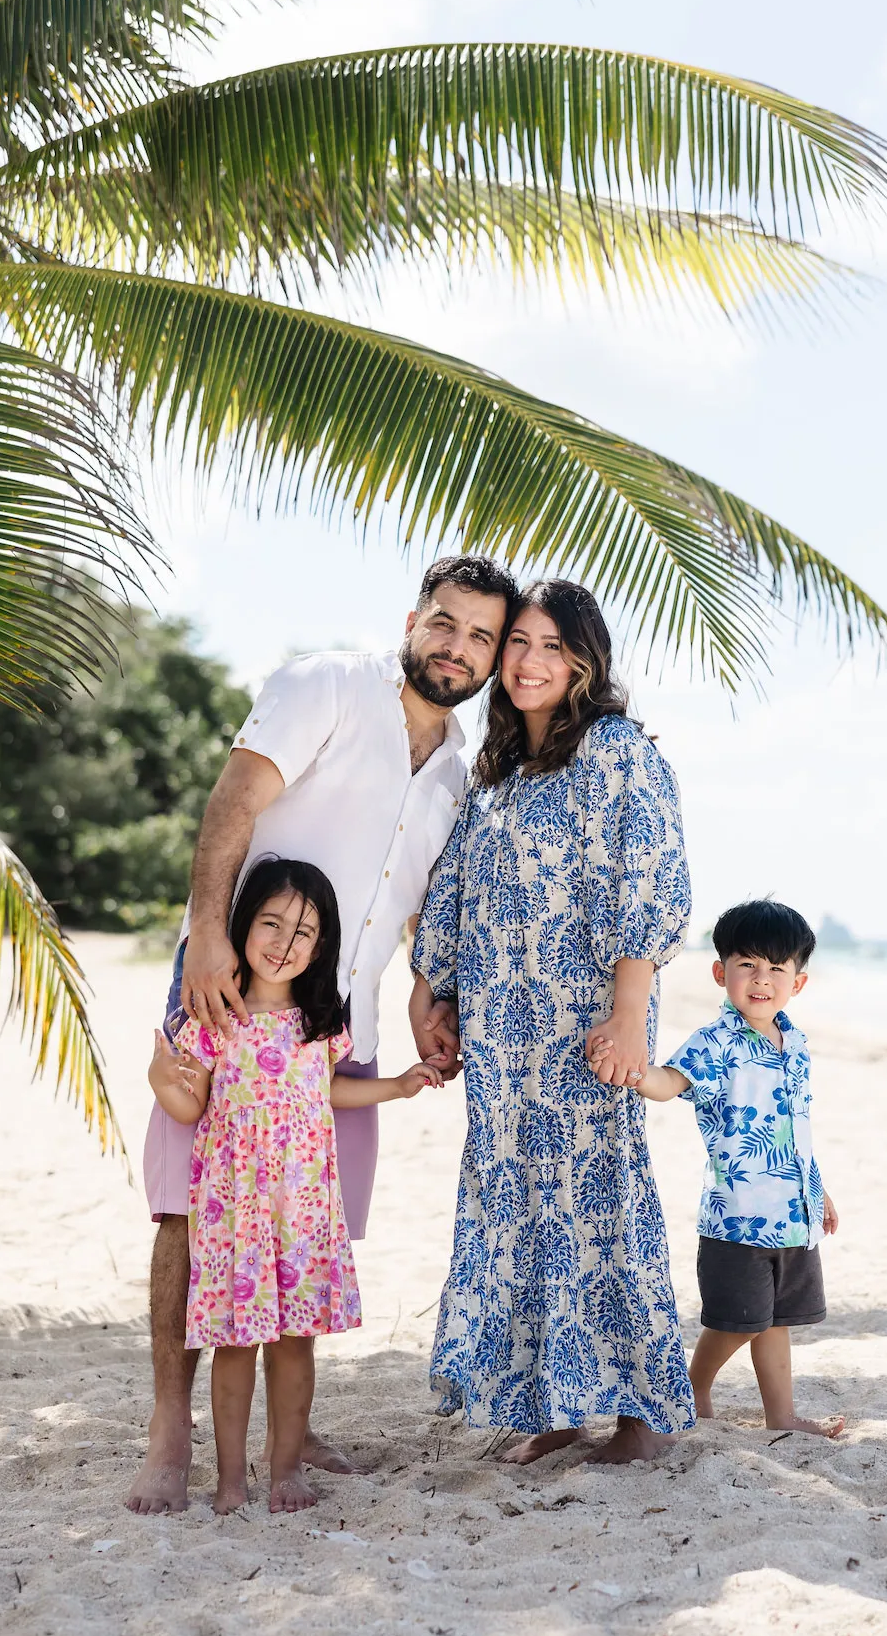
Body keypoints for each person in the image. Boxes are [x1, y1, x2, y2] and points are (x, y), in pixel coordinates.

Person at [127, 554, 516, 1514]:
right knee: (189, 1214)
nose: (457, 648)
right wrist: (211, 933)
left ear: (497, 657)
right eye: (445, 623)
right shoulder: (327, 687)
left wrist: (433, 1002)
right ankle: (171, 1429)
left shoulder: (460, 776)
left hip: (347, 1025)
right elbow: (234, 803)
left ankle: (292, 1432)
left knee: (311, 1226)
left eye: (480, 637)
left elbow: (421, 909)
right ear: (414, 618)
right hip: (233, 991)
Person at [410, 579, 696, 1465]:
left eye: (552, 647)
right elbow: (454, 887)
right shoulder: (496, 770)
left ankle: (644, 1416)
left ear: (584, 663)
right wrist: (433, 990)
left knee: (602, 1206)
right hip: (502, 1035)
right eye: (519, 644)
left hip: (582, 1032)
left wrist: (629, 1015)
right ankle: (555, 1405)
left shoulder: (615, 751)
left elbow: (648, 880)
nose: (530, 662)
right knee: (519, 1211)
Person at [148, 858, 441, 1514]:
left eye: (303, 933)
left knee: (294, 1346)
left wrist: (395, 1085)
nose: (284, 943)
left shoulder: (322, 1022)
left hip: (302, 1213)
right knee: (234, 1346)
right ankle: (230, 1481)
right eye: (270, 924)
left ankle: (284, 1471)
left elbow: (325, 1089)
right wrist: (160, 1077)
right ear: (241, 926)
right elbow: (189, 1107)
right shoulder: (215, 1016)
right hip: (234, 1216)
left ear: (322, 945)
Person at [596, 899, 844, 1438]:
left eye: (777, 968)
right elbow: (671, 1083)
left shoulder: (796, 1044)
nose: (762, 979)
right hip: (738, 1215)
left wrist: (818, 1190)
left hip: (792, 1214)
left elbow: (796, 1126)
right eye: (748, 964)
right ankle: (693, 1385)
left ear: (797, 982)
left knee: (777, 1321)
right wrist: (635, 1074)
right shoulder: (717, 1041)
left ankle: (781, 1416)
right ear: (720, 972)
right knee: (735, 1321)